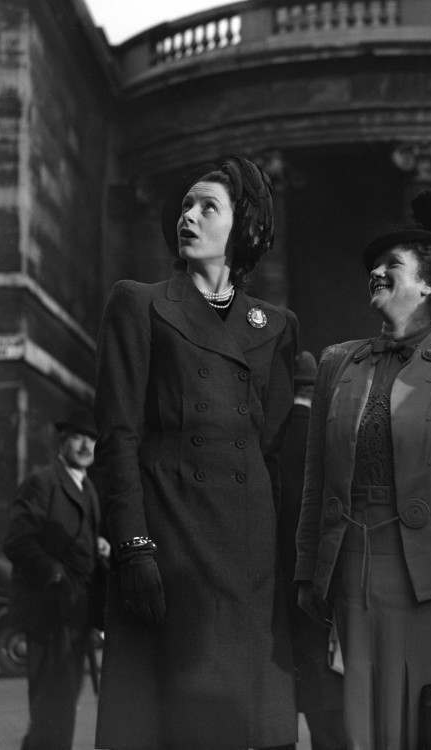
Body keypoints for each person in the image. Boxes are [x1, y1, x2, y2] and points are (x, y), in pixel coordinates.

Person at [295, 190, 431, 750]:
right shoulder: (337, 362)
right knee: (358, 721)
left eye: (391, 265)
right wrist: (307, 571)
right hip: (350, 570)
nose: (375, 272)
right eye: (374, 265)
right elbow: (316, 480)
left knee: (428, 719)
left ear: (429, 284)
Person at [94, 156, 299, 750]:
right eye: (186, 205)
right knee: (173, 724)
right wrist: (133, 546)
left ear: (246, 227)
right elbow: (119, 435)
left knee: (248, 722)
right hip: (171, 541)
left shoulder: (277, 325)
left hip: (250, 554)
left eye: (209, 206)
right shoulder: (139, 303)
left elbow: (272, 449)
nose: (189, 215)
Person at [3, 408, 109, 750]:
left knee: (61, 711)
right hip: (49, 616)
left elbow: (76, 541)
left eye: (92, 439)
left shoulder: (87, 488)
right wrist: (56, 573)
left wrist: (97, 547)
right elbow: (18, 541)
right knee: (52, 712)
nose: (85, 445)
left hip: (75, 617)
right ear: (62, 442)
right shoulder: (43, 482)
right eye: (78, 437)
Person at [278, 350, 347, 750]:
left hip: (272, 589)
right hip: (319, 587)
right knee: (327, 710)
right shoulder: (329, 437)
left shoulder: (267, 440)